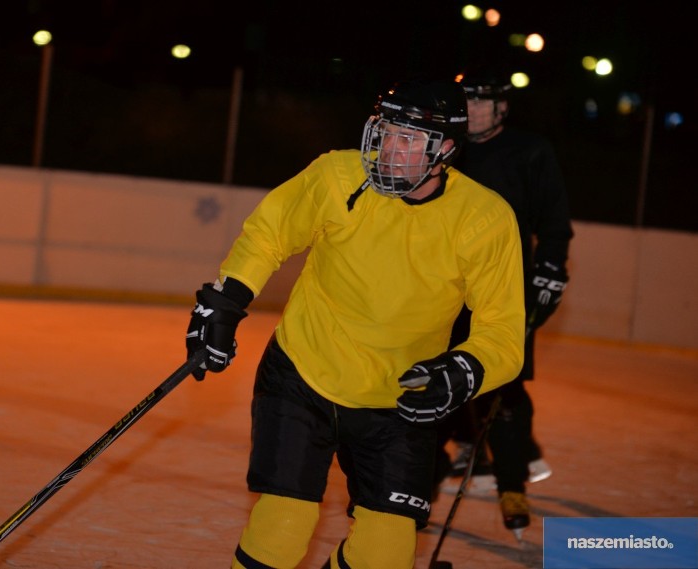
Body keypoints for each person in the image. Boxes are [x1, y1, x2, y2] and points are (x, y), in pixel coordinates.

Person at [184, 78, 526, 569]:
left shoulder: (484, 219)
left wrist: (466, 369)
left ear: (446, 148)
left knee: (385, 554)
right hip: (304, 374)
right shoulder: (337, 175)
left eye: (408, 139)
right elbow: (268, 235)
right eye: (386, 131)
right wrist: (225, 301)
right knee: (283, 525)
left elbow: (503, 332)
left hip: (398, 400)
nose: (390, 148)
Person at [435, 67, 574, 539]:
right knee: (435, 378)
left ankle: (512, 484)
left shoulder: (529, 152)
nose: (471, 111)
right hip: (442, 290)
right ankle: (419, 480)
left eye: (481, 102)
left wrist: (550, 270)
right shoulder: (443, 148)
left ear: (501, 108)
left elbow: (554, 224)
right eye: (465, 101)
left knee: (505, 388)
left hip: (503, 292)